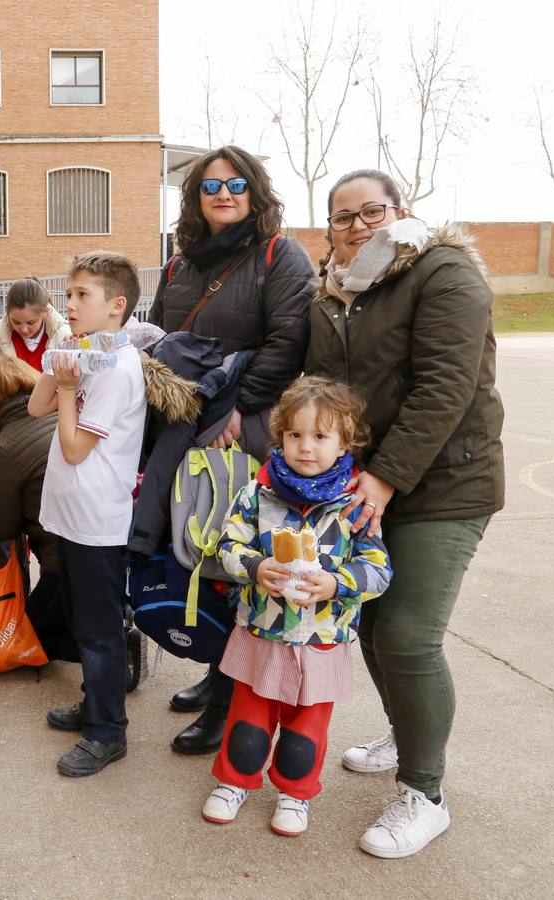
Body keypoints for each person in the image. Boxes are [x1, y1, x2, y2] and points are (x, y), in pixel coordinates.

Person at [305, 168, 504, 859]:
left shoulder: (443, 272)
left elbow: (447, 384)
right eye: (342, 217)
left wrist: (386, 477)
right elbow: (317, 385)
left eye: (370, 213)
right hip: (366, 485)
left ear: (401, 213)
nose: (356, 227)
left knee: (410, 635)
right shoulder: (332, 294)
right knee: (372, 621)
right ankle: (406, 731)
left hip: (445, 483)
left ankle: (426, 792)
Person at [145, 145, 315, 757]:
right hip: (188, 424)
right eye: (210, 185)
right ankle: (215, 667)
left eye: (236, 183)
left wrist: (240, 411)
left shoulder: (279, 255)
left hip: (246, 427)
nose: (223, 193)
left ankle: (228, 704)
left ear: (255, 191)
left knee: (234, 560)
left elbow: (288, 339)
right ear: (194, 198)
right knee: (195, 551)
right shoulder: (180, 264)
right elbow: (165, 337)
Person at [202, 377, 392, 837]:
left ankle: (295, 793)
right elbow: (226, 545)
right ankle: (234, 782)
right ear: (280, 436)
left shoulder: (354, 506)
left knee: (305, 733)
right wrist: (253, 566)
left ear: (345, 442)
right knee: (248, 720)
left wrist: (334, 584)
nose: (306, 448)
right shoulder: (256, 494)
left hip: (322, 641)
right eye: (295, 435)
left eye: (320, 436)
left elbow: (379, 570)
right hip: (261, 634)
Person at [29, 251, 146, 777]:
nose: (69, 304)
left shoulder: (119, 369)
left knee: (99, 632)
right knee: (81, 622)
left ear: (116, 305)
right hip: (70, 515)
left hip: (98, 522)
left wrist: (72, 388)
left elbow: (75, 448)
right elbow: (36, 408)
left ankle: (107, 731)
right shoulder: (88, 351)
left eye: (82, 295)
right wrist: (59, 363)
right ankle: (94, 702)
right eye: (68, 294)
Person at [0, 357, 76, 661]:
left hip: (59, 560)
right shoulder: (64, 412)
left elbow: (3, 529)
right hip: (98, 539)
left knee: (18, 638)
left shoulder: (3, 446)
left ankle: (112, 652)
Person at [0, 277, 73, 372]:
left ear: (46, 311)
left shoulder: (67, 339)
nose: (24, 329)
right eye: (16, 322)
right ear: (7, 312)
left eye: (31, 322)